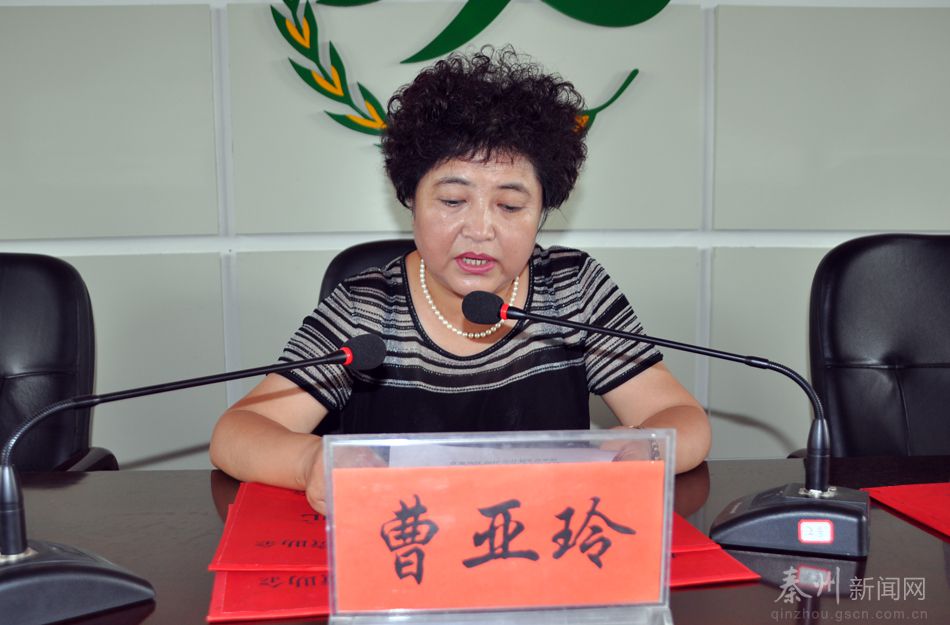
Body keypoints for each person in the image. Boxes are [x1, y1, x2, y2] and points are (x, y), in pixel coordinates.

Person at [210, 47, 710, 513]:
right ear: (410, 198)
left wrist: (647, 448)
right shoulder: (367, 307)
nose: (480, 230)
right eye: (453, 201)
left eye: (510, 206)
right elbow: (238, 432)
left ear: (541, 212)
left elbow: (679, 416)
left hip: (542, 550)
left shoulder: (570, 288)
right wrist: (310, 462)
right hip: (403, 547)